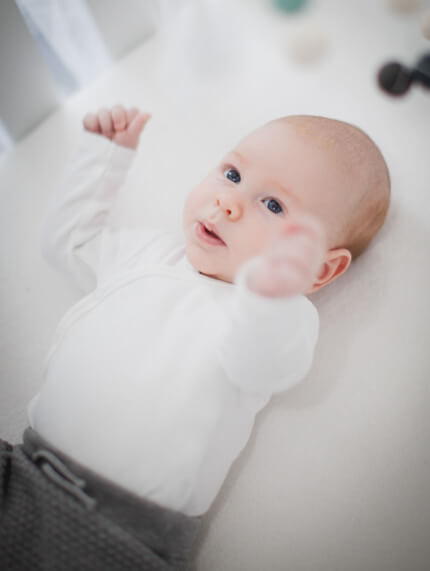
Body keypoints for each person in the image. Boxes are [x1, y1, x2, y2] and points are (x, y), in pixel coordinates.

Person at [0, 107, 390, 570]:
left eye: (273, 206)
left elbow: (264, 365)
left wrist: (270, 294)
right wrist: (103, 158)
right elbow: (68, 244)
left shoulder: (279, 315)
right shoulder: (148, 253)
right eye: (232, 173)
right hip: (22, 467)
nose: (230, 203)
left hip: (122, 534)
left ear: (320, 269)